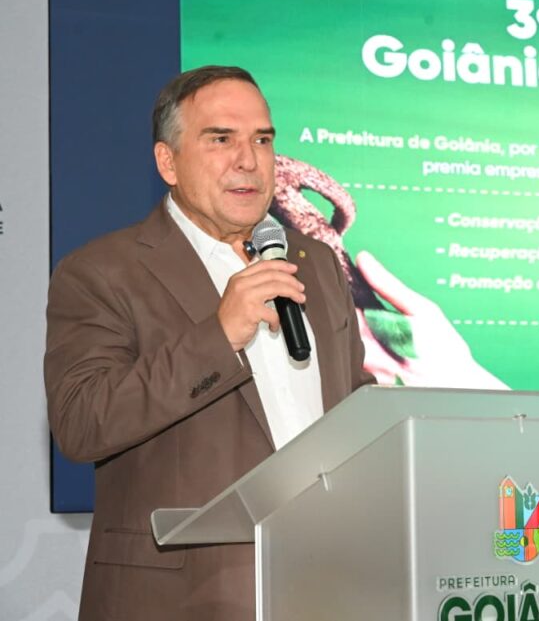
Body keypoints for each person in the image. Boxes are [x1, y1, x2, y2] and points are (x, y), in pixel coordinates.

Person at [44, 65, 373, 621]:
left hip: (322, 585)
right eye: (221, 139)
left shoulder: (313, 262)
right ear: (167, 162)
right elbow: (81, 421)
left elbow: (353, 404)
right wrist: (219, 336)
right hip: (178, 599)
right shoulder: (102, 271)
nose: (248, 160)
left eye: (262, 140)